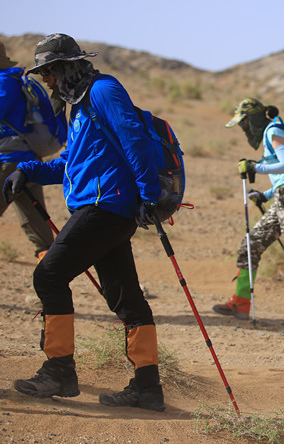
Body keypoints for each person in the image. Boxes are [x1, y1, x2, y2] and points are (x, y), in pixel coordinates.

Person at [2, 33, 165, 411]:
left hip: (106, 206)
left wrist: (148, 195)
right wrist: (27, 170)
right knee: (126, 298)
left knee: (48, 275)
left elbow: (135, 140)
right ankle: (147, 388)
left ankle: (59, 370)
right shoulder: (79, 107)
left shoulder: (103, 91)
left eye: (49, 73)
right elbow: (70, 165)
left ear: (65, 68)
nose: (47, 82)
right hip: (102, 207)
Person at [213, 98, 284, 329]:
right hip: (283, 196)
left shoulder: (274, 131)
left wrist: (256, 167)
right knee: (251, 242)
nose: (243, 128)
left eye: (243, 123)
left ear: (253, 118)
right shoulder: (272, 131)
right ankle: (241, 302)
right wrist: (266, 195)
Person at [0, 41, 57, 260]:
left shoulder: (4, 83)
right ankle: (49, 263)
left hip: (11, 160)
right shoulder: (13, 80)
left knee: (32, 213)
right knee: (33, 216)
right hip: (28, 160)